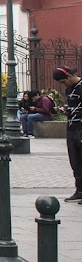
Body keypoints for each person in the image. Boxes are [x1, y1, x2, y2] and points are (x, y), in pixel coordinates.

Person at [53, 67, 82, 202]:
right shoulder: (69, 90)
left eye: (64, 82)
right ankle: (79, 190)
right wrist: (66, 110)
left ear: (70, 76)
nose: (64, 85)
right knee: (75, 159)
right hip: (71, 127)